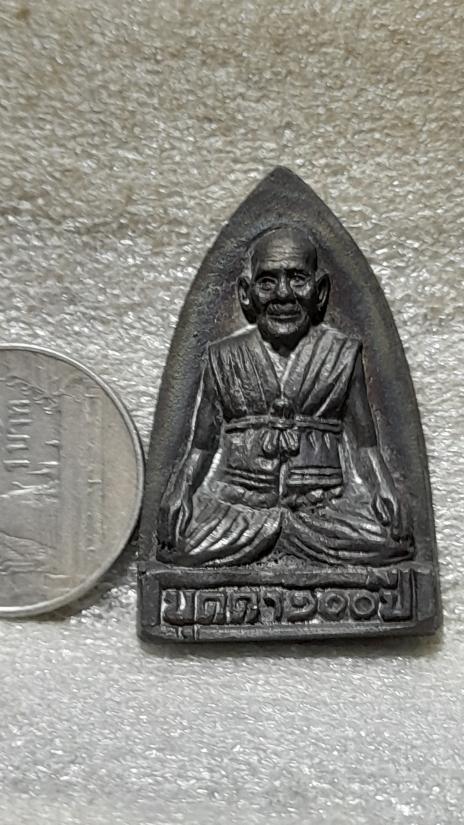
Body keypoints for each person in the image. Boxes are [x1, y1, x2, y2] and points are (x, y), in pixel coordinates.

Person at [158, 225, 413, 567]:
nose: (283, 294)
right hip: (243, 509)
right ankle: (276, 535)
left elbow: (364, 444)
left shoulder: (342, 355)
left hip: (323, 510)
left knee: (391, 538)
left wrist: (384, 487)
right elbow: (203, 446)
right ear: (246, 293)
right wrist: (181, 489)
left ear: (320, 291)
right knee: (177, 542)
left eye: (297, 279)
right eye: (267, 282)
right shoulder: (223, 357)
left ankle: (283, 536)